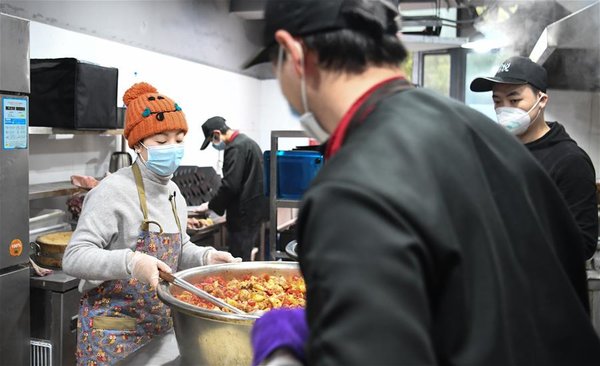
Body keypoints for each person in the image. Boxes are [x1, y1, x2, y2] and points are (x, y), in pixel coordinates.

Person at [242, 1, 600, 365]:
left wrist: (282, 351)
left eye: (275, 68)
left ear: (292, 53)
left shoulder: (353, 184)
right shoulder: (483, 135)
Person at [63, 82, 241, 365]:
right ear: (138, 144)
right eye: (161, 142)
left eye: (179, 139)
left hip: (160, 329)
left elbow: (178, 247)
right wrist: (131, 262)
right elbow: (73, 257)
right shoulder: (111, 192)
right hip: (114, 332)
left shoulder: (173, 193)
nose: (172, 148)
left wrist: (207, 257)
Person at [471, 56, 598, 259]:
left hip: (543, 287)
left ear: (542, 100)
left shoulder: (569, 161)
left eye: (514, 100)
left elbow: (584, 243)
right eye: (497, 101)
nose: (504, 108)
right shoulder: (497, 149)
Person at [199, 116, 268, 261]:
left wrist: (211, 205)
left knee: (238, 260)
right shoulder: (248, 142)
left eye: (212, 140)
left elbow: (231, 185)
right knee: (244, 255)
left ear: (217, 133)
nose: (213, 144)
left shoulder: (235, 148)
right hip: (254, 210)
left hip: (243, 214)